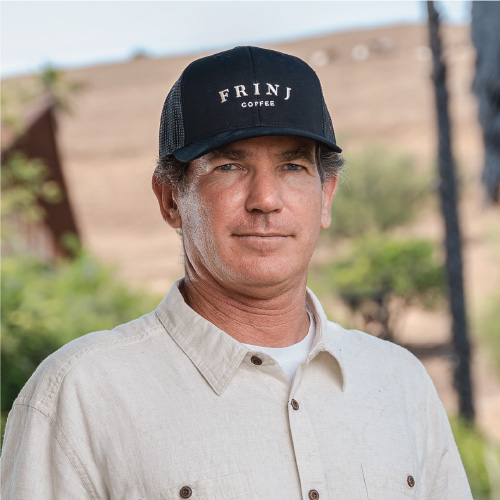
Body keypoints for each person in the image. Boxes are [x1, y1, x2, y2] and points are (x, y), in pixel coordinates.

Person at [1, 46, 472, 500]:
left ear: (326, 196)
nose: (265, 199)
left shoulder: (401, 384)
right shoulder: (80, 394)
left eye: (292, 166)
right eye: (229, 166)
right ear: (170, 199)